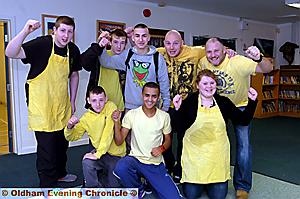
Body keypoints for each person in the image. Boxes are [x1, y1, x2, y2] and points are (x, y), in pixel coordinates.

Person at [5, 16, 81, 187]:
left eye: (70, 31)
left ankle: (60, 174)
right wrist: (25, 31)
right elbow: (10, 53)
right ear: (54, 30)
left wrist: (73, 100)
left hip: (61, 105)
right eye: (62, 30)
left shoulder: (73, 50)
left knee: (62, 145)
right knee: (47, 150)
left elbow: (74, 74)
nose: (66, 35)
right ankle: (47, 186)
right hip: (42, 106)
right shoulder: (43, 44)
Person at [199, 37, 273, 199]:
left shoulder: (239, 61)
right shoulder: (203, 62)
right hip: (218, 107)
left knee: (243, 147)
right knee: (212, 143)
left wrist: (259, 57)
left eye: (216, 51)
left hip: (240, 106)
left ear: (225, 49)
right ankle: (209, 179)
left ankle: (242, 186)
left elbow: (268, 68)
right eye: (209, 51)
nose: (212, 55)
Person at [172, 69, 258, 199]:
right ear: (197, 85)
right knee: (191, 195)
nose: (209, 86)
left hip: (216, 159)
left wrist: (252, 102)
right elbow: (177, 127)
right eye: (205, 83)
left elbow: (243, 120)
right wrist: (177, 110)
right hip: (195, 159)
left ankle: (210, 182)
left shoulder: (223, 102)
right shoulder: (189, 102)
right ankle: (200, 182)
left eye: (212, 83)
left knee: (218, 196)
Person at [112, 82, 181, 199]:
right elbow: (119, 141)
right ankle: (139, 190)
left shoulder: (164, 116)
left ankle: (149, 181)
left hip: (154, 164)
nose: (150, 99)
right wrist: (116, 122)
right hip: (136, 159)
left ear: (158, 97)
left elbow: (168, 140)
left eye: (154, 96)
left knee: (173, 197)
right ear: (142, 95)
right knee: (121, 168)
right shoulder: (132, 114)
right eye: (147, 95)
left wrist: (161, 148)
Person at [99, 23, 170, 112]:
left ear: (148, 38)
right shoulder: (128, 55)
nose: (140, 39)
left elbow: (164, 82)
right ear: (133, 38)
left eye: (144, 36)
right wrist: (102, 45)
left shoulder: (157, 58)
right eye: (137, 36)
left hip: (151, 107)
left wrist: (166, 106)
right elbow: (106, 62)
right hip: (130, 108)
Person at [64, 86, 126, 188]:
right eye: (94, 100)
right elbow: (72, 137)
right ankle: (93, 190)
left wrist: (97, 154)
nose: (98, 104)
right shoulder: (86, 118)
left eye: (101, 100)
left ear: (106, 99)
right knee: (87, 162)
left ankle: (103, 180)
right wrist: (69, 127)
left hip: (116, 155)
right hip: (100, 154)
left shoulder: (111, 107)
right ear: (88, 101)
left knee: (113, 189)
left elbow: (108, 134)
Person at [81, 29, 127, 110]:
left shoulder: (127, 60)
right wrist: (98, 46)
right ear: (110, 42)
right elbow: (84, 62)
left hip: (119, 107)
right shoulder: (100, 55)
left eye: (122, 43)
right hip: (98, 105)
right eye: (115, 42)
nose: (119, 46)